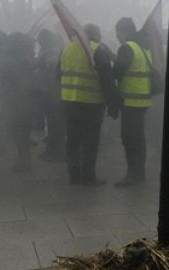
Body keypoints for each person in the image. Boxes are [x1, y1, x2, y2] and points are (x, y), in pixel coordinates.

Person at [59, 23, 117, 187]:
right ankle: (89, 177)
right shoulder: (98, 50)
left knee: (72, 140)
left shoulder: (66, 48)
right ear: (96, 35)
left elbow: (58, 74)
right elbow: (107, 80)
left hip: (70, 101)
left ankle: (73, 175)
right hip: (92, 103)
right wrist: (112, 103)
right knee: (90, 141)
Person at [112, 17, 153, 187]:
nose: (117, 35)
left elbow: (117, 71)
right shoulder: (143, 47)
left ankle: (133, 175)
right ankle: (139, 173)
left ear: (126, 31)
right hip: (142, 100)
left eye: (119, 31)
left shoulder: (127, 47)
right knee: (138, 139)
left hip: (131, 101)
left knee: (129, 139)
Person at [2, 32, 36, 172]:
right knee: (21, 133)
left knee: (20, 133)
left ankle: (24, 162)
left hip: (19, 101)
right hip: (22, 101)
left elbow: (18, 80)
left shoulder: (19, 61)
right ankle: (23, 161)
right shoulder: (25, 58)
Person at [36, 29, 65, 162]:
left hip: (54, 92)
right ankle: (51, 149)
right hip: (47, 91)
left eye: (41, 40)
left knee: (56, 123)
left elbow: (52, 68)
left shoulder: (52, 52)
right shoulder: (46, 51)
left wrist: (41, 64)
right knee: (51, 122)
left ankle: (58, 152)